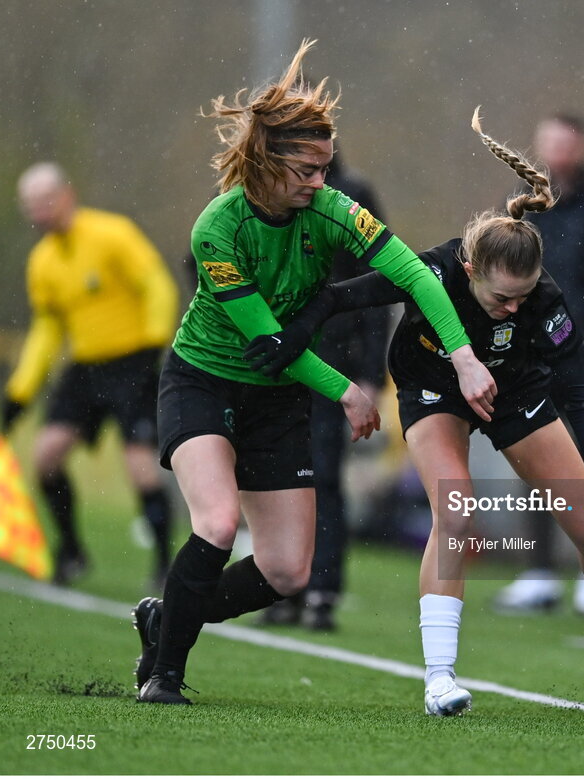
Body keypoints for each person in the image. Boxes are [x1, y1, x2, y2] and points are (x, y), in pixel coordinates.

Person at [132, 40, 496, 705]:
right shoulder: (217, 228)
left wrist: (466, 356)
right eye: (308, 169)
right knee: (215, 524)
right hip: (204, 381)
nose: (320, 182)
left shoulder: (329, 210)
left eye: (326, 168)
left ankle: (167, 615)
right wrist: (347, 390)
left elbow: (414, 272)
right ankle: (165, 671)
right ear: (268, 162)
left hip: (277, 400)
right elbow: (268, 340)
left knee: (287, 570)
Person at [251, 108, 584, 716]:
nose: (515, 308)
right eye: (501, 298)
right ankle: (440, 678)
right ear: (468, 271)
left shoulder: (544, 302)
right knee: (456, 515)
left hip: (516, 393)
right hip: (435, 390)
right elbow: (339, 296)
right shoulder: (435, 269)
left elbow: (578, 400)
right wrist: (292, 333)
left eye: (525, 295)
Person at [1, 162, 179, 588]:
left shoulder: (112, 233)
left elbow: (157, 284)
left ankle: (163, 564)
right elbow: (47, 329)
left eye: (45, 202)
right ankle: (72, 550)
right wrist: (19, 392)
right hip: (85, 368)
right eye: (31, 206)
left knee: (140, 467)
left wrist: (155, 343)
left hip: (133, 361)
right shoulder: (42, 261)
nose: (39, 213)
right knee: (44, 458)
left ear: (67, 195)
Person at [492, 113, 584, 617]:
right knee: (534, 463)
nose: (559, 155)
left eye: (567, 144)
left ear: (583, 146)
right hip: (528, 354)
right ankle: (539, 571)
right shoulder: (520, 205)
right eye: (550, 144)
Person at [257, 152, 392, 631]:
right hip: (268, 361)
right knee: (272, 476)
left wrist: (374, 369)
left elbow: (384, 281)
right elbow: (204, 266)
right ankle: (280, 586)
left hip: (331, 361)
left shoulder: (351, 194)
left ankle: (322, 590)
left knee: (323, 476)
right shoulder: (244, 195)